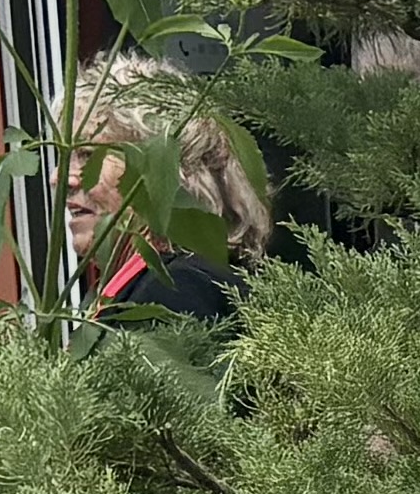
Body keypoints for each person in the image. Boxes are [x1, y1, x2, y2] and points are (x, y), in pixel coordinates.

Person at [68, 49, 272, 324]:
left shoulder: (176, 291)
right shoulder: (148, 286)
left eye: (89, 155)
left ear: (165, 171)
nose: (60, 178)